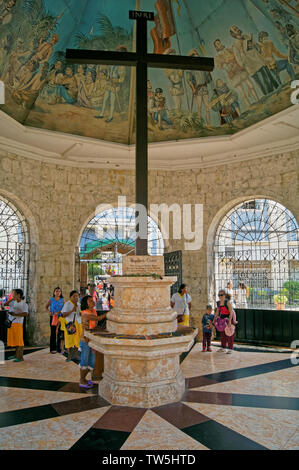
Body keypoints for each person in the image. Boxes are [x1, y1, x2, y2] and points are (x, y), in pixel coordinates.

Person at [79, 295, 106, 388]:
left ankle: (87, 378)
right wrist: (110, 312)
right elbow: (98, 319)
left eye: (92, 300)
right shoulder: (84, 313)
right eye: (90, 301)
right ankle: (81, 379)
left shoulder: (93, 311)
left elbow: (94, 324)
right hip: (85, 340)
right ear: (85, 304)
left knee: (92, 361)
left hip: (92, 339)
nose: (92, 301)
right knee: (85, 360)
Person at [4, 289, 28, 362]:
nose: (12, 294)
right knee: (14, 340)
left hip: (18, 323)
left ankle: (20, 357)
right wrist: (12, 299)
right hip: (11, 323)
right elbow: (5, 304)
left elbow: (25, 314)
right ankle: (15, 355)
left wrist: (15, 314)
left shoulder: (24, 304)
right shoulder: (12, 302)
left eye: (14, 293)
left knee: (19, 340)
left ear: (18, 295)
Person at [61, 290, 82, 362]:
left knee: (77, 340)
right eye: (74, 296)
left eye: (77, 296)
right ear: (70, 297)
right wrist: (72, 310)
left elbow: (80, 314)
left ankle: (75, 355)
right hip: (70, 324)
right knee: (69, 340)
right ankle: (69, 356)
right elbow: (63, 315)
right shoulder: (67, 304)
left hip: (78, 324)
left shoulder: (79, 304)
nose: (76, 298)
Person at [213, 289, 234, 353]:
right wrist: (214, 319)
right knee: (222, 334)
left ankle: (230, 348)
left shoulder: (227, 302)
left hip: (228, 319)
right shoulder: (218, 303)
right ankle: (223, 347)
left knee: (229, 334)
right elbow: (217, 311)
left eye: (221, 295)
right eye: (219, 295)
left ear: (224, 295)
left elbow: (231, 312)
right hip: (222, 319)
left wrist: (230, 321)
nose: (220, 296)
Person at [45, 287, 65, 354]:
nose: (58, 292)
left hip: (60, 318)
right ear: (54, 292)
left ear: (61, 293)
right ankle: (52, 348)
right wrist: (49, 312)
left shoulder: (62, 300)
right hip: (53, 317)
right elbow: (46, 307)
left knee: (60, 333)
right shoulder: (51, 299)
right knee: (53, 332)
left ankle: (59, 348)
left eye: (59, 291)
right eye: (56, 291)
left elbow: (64, 309)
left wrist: (59, 312)